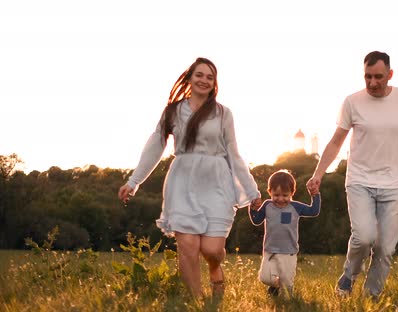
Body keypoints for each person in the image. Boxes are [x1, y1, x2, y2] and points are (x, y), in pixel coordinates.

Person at [306, 51, 398, 298]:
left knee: (385, 247)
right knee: (363, 237)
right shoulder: (352, 102)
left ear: (390, 75)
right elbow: (336, 141)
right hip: (360, 180)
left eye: (378, 77)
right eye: (367, 77)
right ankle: (348, 276)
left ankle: (371, 296)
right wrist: (318, 174)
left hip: (395, 183)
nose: (372, 83)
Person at [117, 57, 261, 297]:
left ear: (214, 83)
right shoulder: (173, 111)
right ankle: (196, 301)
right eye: (199, 75)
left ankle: (215, 268)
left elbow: (234, 154)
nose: (204, 80)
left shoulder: (223, 114)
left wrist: (251, 190)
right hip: (182, 184)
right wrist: (134, 182)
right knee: (188, 247)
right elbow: (155, 145)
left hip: (217, 184)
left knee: (212, 249)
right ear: (190, 78)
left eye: (209, 77)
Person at [249, 170, 321, 297]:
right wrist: (253, 208)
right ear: (269, 191)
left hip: (289, 251)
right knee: (266, 277)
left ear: (292, 193)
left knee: (286, 284)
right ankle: (275, 287)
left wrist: (315, 195)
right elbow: (256, 220)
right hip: (270, 250)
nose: (281, 199)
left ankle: (286, 298)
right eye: (276, 195)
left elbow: (314, 211)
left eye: (285, 195)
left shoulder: (296, 207)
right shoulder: (267, 205)